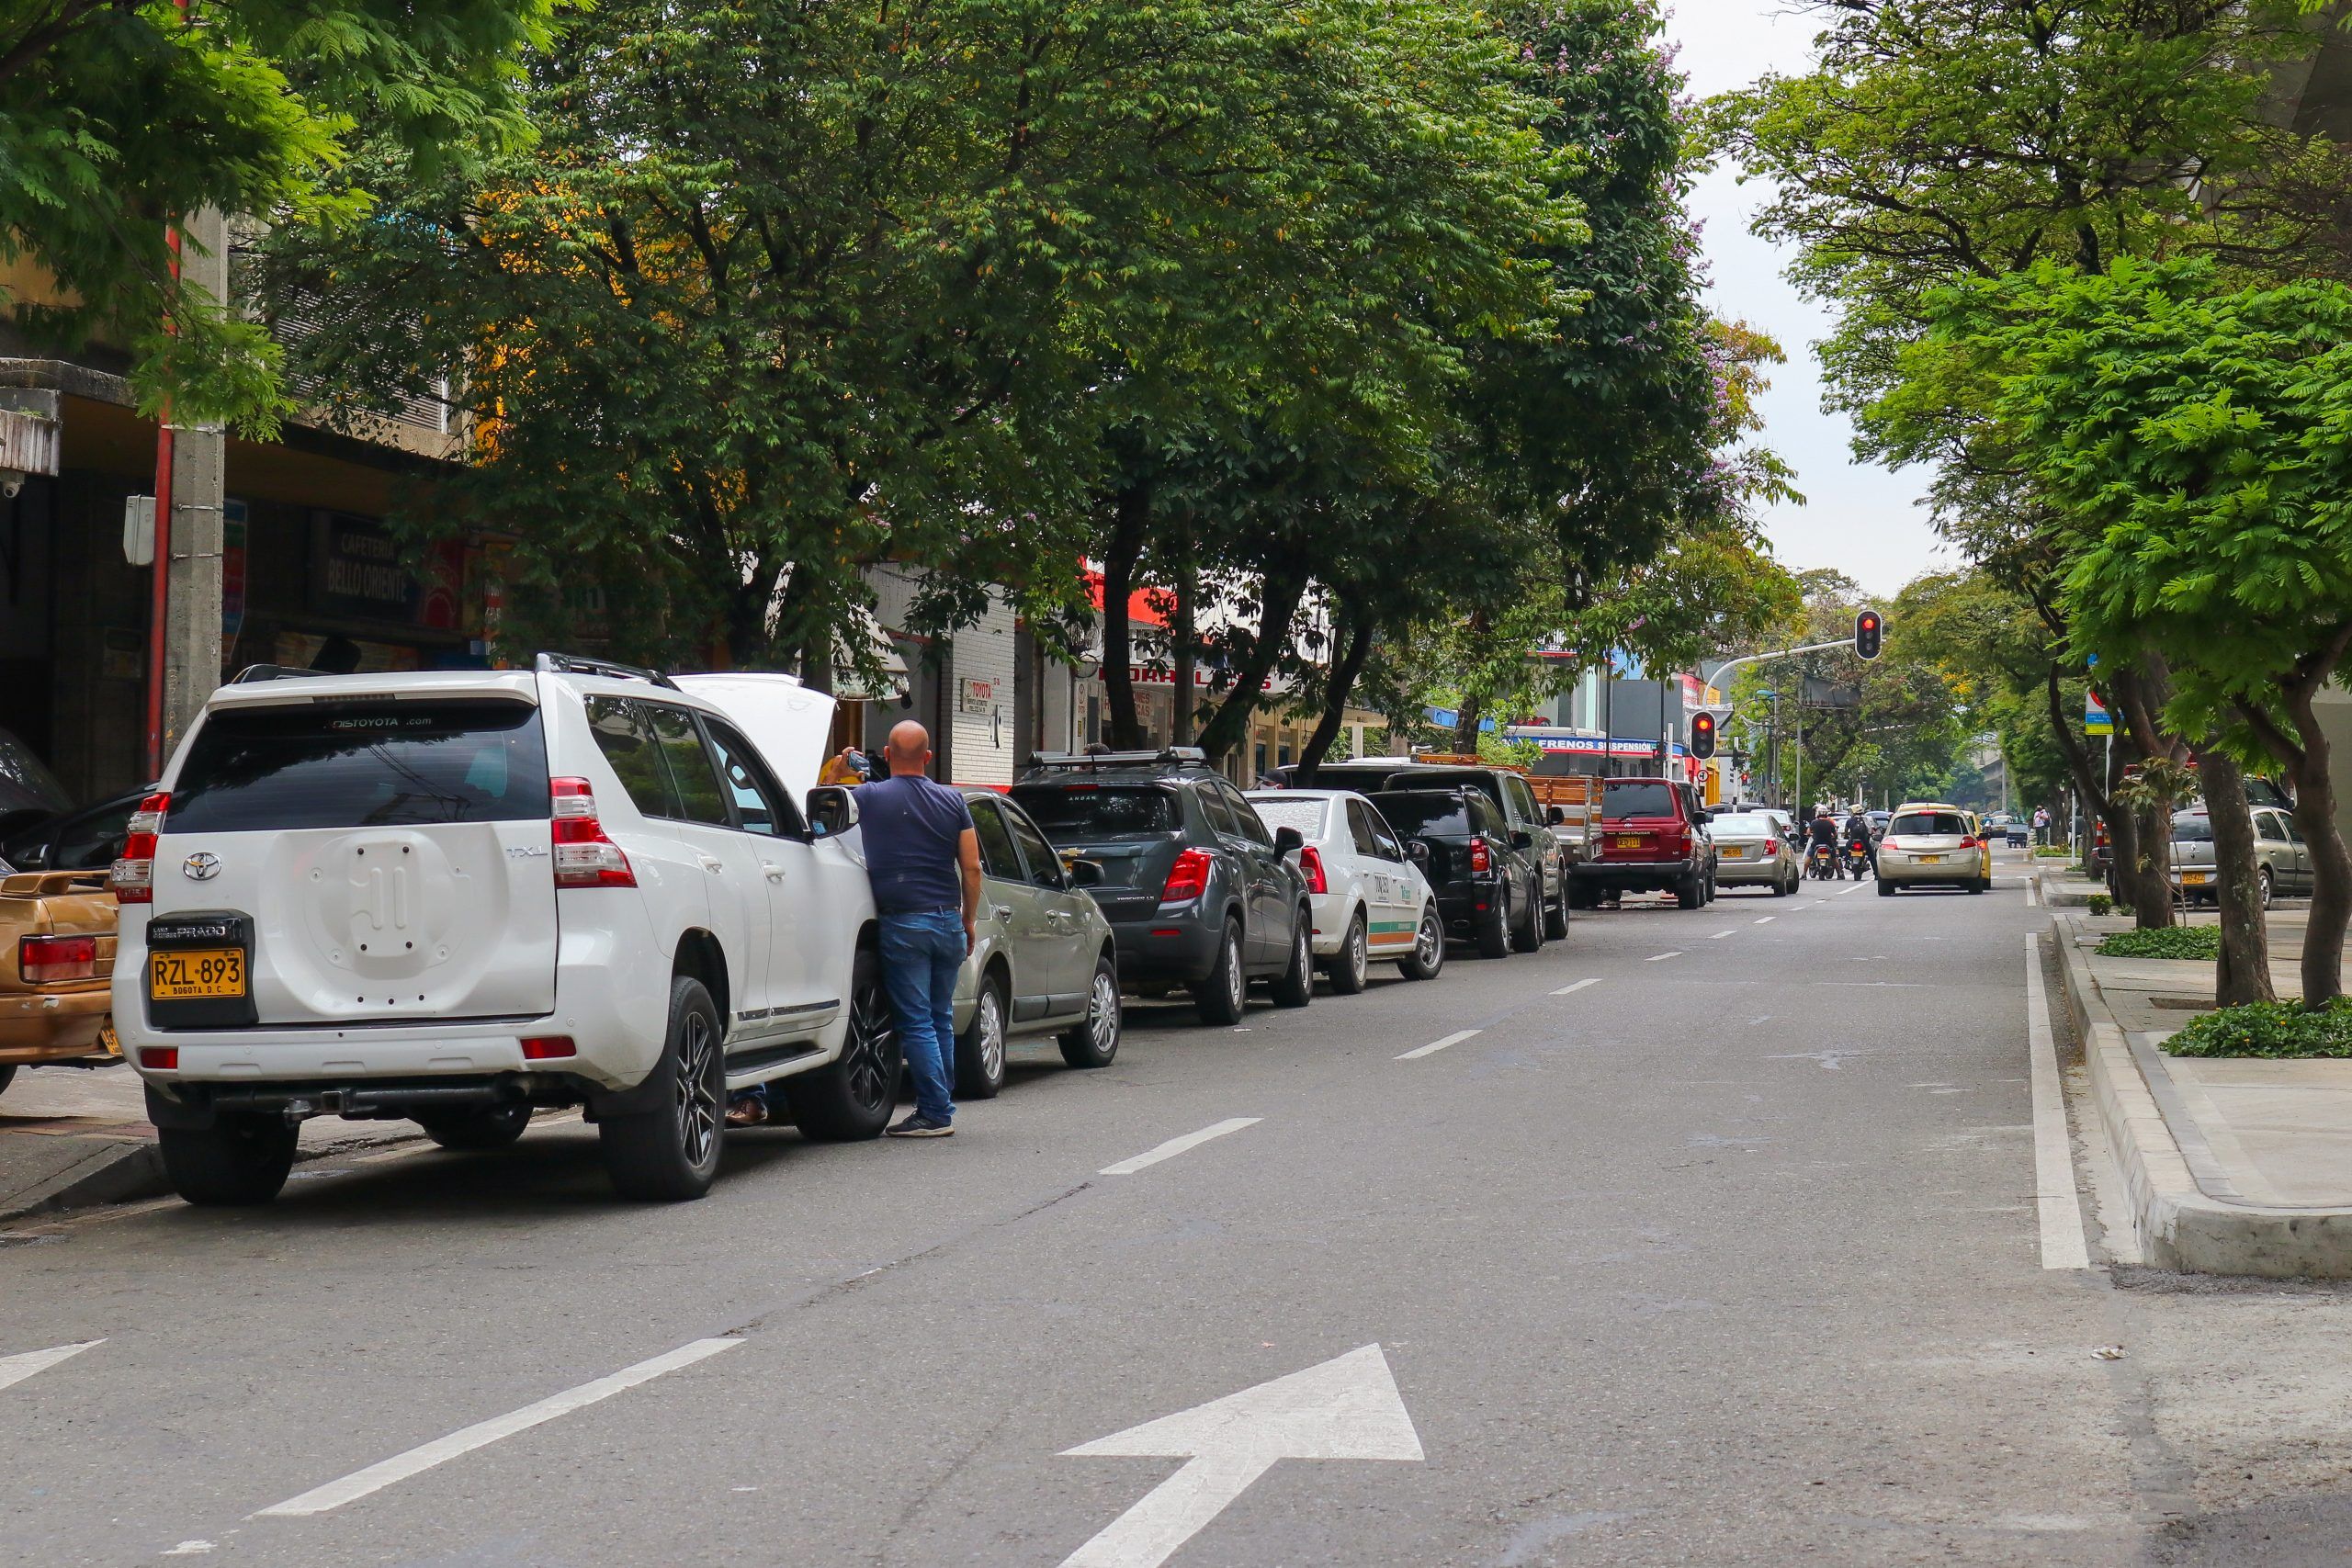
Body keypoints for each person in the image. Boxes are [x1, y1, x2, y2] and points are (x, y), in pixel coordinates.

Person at [856, 720, 982, 1138]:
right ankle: (940, 1102)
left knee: (916, 1022)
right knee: (940, 1016)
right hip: (947, 917)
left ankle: (935, 1112)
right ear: (928, 757)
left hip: (904, 921)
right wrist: (968, 919)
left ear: (887, 755)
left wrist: (844, 767)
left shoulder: (869, 796)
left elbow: (822, 804)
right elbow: (972, 866)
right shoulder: (953, 800)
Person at [1807, 806, 1842, 878]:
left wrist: (1810, 834)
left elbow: (1808, 832)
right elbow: (1835, 834)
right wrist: (1832, 836)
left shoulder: (1814, 822)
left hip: (1816, 843)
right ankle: (1839, 874)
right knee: (1834, 858)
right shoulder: (1830, 823)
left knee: (1809, 856)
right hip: (1828, 843)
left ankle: (1804, 874)